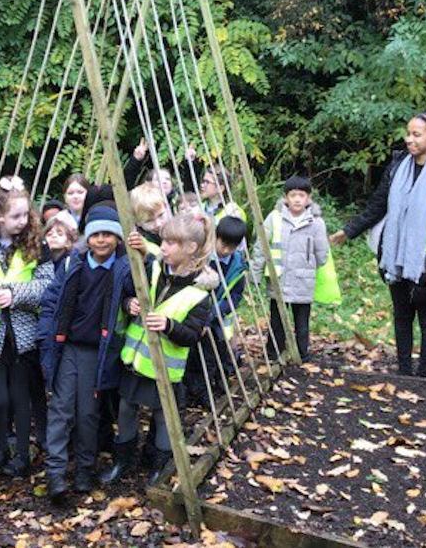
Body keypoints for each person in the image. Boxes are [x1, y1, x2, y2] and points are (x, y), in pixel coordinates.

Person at [330, 112, 426, 377]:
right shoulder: (397, 166)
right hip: (396, 256)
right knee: (401, 316)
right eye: (408, 133)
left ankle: (423, 374)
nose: (409, 140)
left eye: (417, 134)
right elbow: (377, 206)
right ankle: (404, 371)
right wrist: (348, 231)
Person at [101, 211, 218, 486]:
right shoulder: (155, 269)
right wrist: (129, 304)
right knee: (126, 409)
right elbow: (131, 289)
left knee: (163, 416)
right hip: (135, 359)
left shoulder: (200, 293)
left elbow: (192, 335)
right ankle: (123, 461)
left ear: (190, 248)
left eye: (170, 243)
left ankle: (160, 467)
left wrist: (168, 325)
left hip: (165, 368)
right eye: (163, 241)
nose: (163, 246)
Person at [39, 206, 131, 500]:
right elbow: (52, 300)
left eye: (108, 235)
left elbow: (149, 276)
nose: (102, 240)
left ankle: (84, 469)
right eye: (96, 235)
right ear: (87, 238)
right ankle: (55, 473)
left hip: (98, 351)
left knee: (89, 413)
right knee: (61, 408)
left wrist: (142, 253)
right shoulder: (72, 264)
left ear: (117, 238)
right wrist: (47, 334)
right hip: (69, 346)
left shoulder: (123, 268)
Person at [0, 176, 54, 477]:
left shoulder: (36, 244)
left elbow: (48, 285)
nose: (23, 221)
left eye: (26, 214)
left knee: (20, 397)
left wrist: (13, 294)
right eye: (16, 216)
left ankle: (21, 454)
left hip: (23, 334)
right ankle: (0, 447)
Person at [251, 176, 329, 362]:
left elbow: (322, 253)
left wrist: (309, 264)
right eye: (292, 195)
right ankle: (273, 353)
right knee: (276, 319)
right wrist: (256, 273)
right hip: (278, 279)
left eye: (301, 195)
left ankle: (302, 354)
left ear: (308, 199)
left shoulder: (316, 222)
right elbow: (261, 247)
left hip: (303, 279)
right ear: (286, 198)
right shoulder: (274, 218)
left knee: (302, 321)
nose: (296, 199)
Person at [185, 216, 248, 406]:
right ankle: (191, 391)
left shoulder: (237, 265)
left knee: (213, 356)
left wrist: (216, 312)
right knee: (192, 355)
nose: (226, 250)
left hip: (216, 320)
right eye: (223, 244)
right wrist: (202, 313)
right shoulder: (201, 258)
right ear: (215, 237)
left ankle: (208, 391)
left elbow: (236, 295)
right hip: (196, 316)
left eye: (232, 247)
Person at [130, 183, 169, 256]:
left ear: (166, 207)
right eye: (149, 221)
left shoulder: (178, 229)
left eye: (161, 215)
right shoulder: (139, 242)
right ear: (137, 222)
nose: (158, 224)